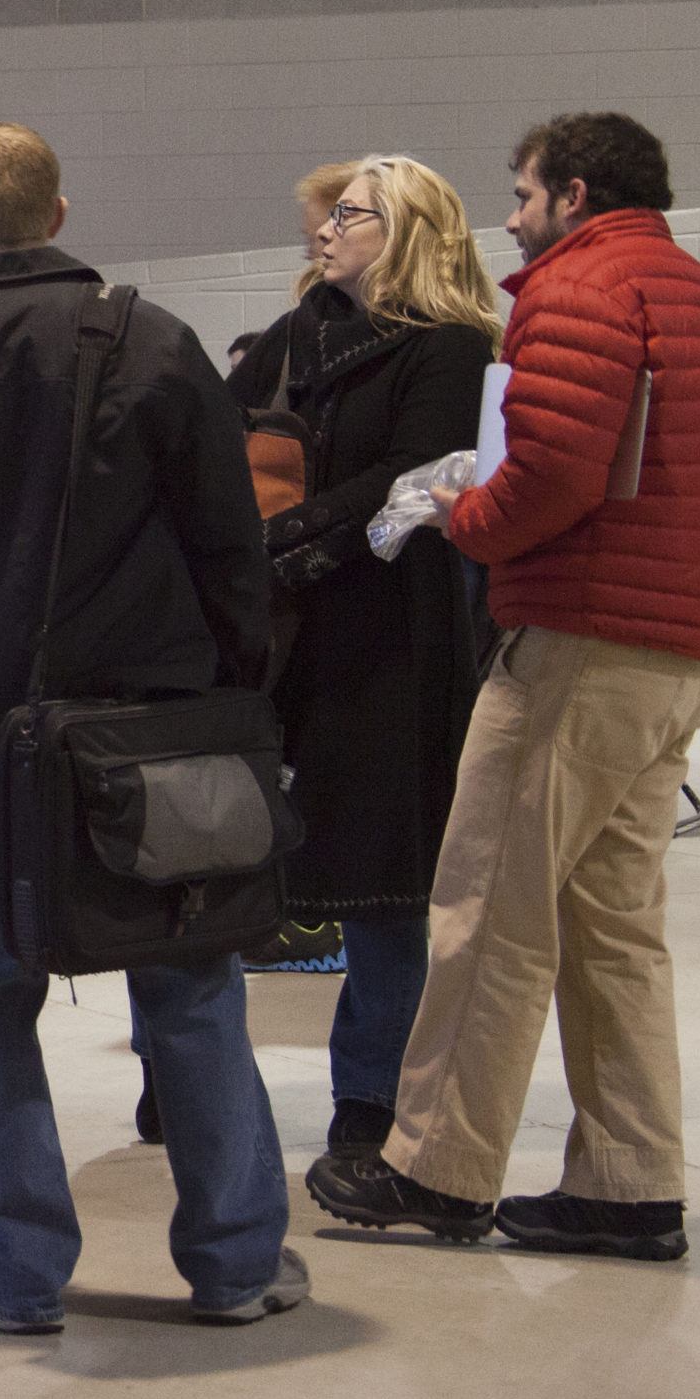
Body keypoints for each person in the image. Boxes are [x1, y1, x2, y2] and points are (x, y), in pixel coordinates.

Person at [0, 123, 303, 1329]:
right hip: (154, 729)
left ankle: (18, 1273)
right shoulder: (149, 340)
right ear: (61, 211)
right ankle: (236, 1263)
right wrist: (240, 690)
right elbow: (226, 537)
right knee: (189, 989)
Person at [306, 112, 700, 1263]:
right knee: (612, 929)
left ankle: (437, 1170)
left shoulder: (578, 289)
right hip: (682, 654)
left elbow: (553, 470)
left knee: (484, 912)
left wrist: (460, 513)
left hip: (582, 641)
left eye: (519, 197)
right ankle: (625, 1183)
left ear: (570, 193)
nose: (508, 221)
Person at [222, 155, 496, 1167]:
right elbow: (228, 431)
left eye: (349, 215)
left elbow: (416, 476)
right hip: (282, 631)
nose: (324, 231)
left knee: (385, 889)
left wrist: (291, 534)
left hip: (390, 635)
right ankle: (194, 1081)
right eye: (326, 215)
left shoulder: (452, 346)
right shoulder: (296, 333)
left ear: (407, 233)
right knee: (231, 861)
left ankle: (367, 1104)